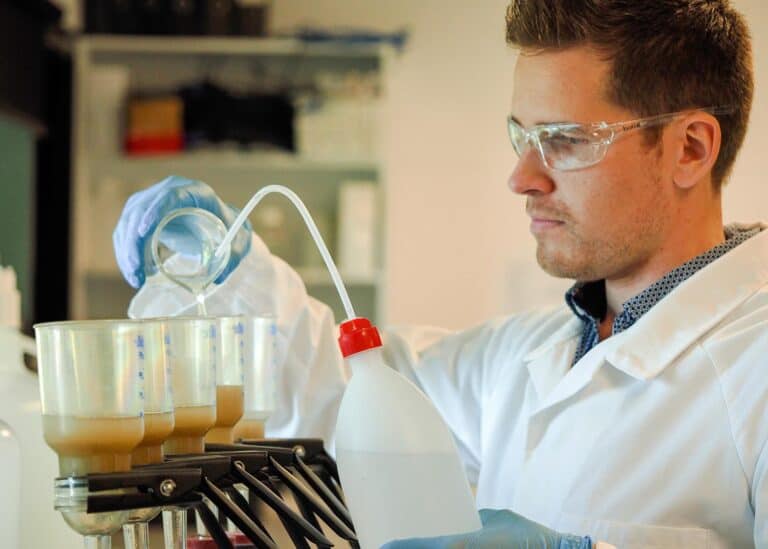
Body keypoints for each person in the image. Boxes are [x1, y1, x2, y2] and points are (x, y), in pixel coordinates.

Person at [114, 1, 767, 547]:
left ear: (690, 148)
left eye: (565, 140)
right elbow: (347, 393)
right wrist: (229, 270)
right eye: (523, 136)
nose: (522, 178)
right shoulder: (523, 356)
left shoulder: (755, 362)